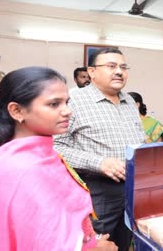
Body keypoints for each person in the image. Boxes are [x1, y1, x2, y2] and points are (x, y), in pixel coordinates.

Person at [0, 66, 117, 250]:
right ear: (17, 111)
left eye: (67, 102)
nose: (67, 111)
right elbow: (42, 243)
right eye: (54, 104)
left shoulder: (23, 153)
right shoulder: (26, 167)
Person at [54, 47, 144, 251]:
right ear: (92, 72)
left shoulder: (129, 100)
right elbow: (55, 147)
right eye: (111, 66)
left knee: (123, 241)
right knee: (97, 244)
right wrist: (99, 163)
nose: (119, 71)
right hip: (96, 190)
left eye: (123, 67)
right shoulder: (73, 100)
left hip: (132, 188)